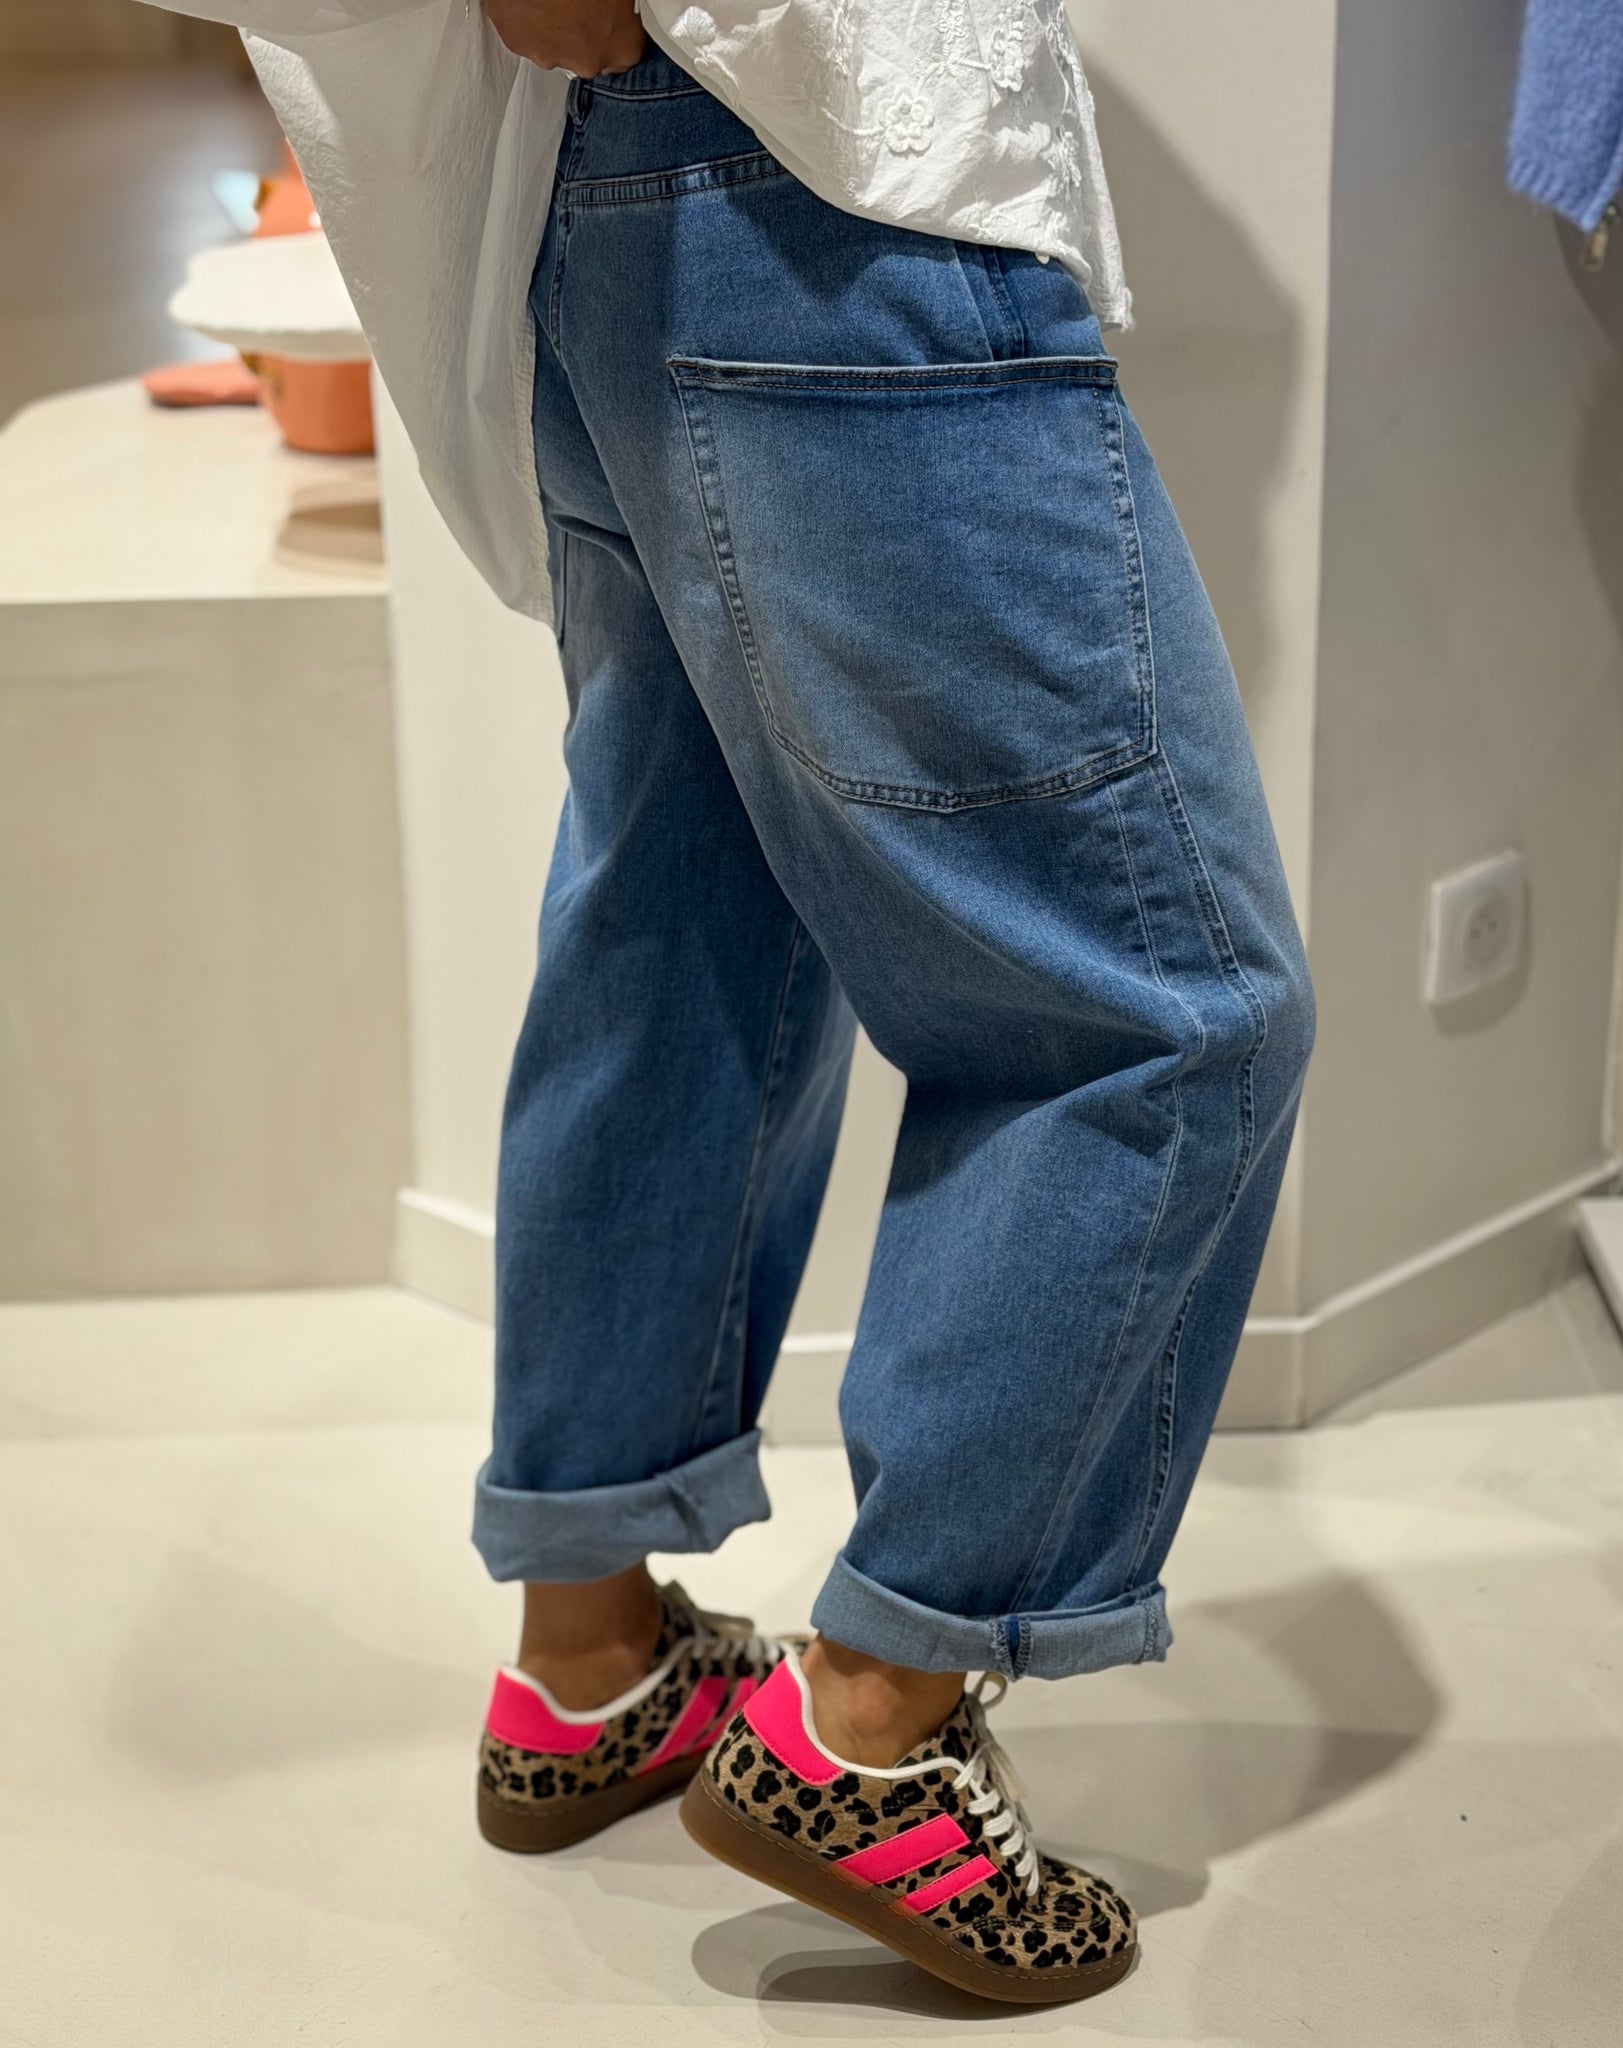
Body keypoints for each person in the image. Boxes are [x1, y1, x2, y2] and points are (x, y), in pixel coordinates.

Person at [157, 0, 1315, 2006]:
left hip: (619, 219)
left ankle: (592, 1657)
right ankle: (868, 1729)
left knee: (686, 922)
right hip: (838, 206)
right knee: (1167, 1011)